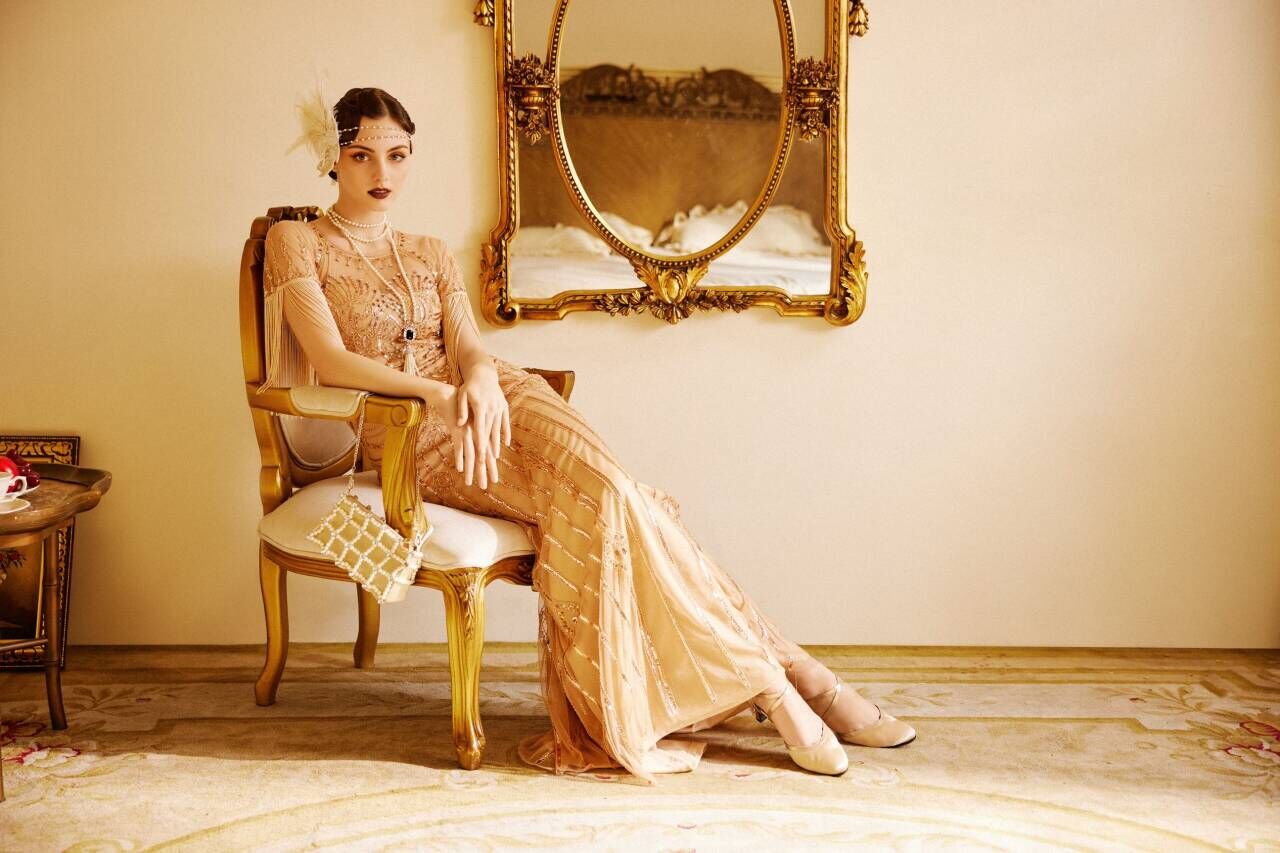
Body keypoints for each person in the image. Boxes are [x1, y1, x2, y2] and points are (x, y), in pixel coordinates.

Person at [260, 86, 915, 785]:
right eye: (362, 155)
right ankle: (789, 686)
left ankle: (786, 682)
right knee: (622, 504)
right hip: (414, 434)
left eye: (397, 154)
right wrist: (436, 395)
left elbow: (469, 344)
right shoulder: (296, 241)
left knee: (617, 492)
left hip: (500, 398)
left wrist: (478, 380)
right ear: (334, 159)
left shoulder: (429, 250)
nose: (381, 172)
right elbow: (330, 360)